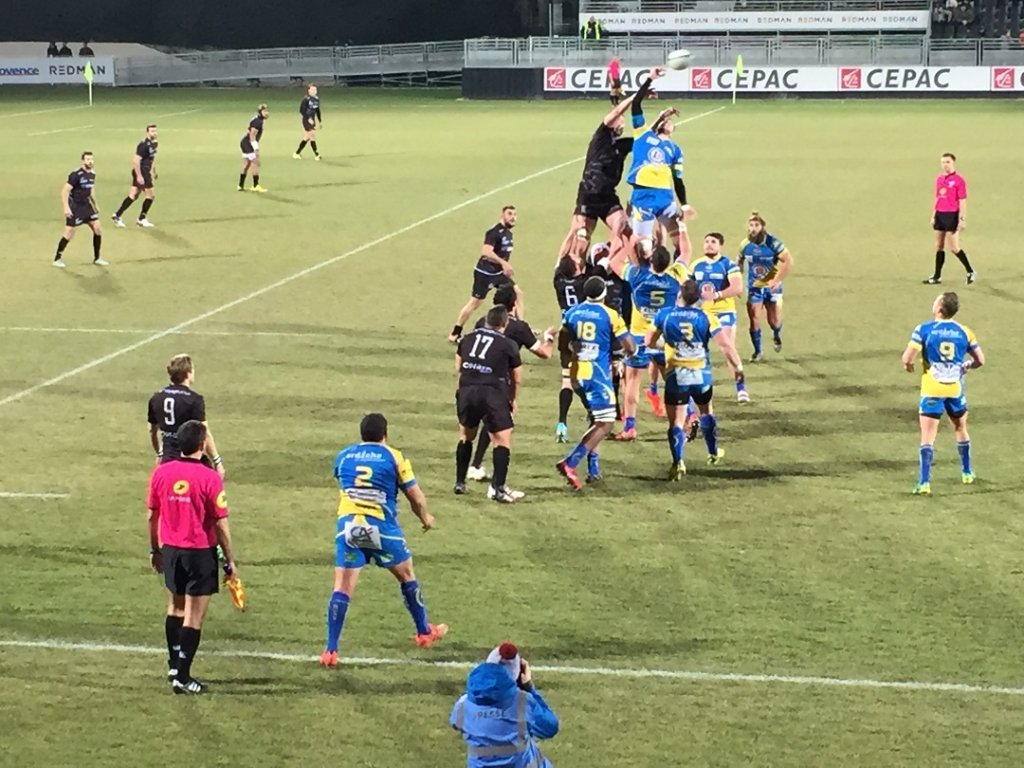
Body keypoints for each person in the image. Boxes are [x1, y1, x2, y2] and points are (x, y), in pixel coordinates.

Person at [321, 413, 446, 667]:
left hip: (348, 527)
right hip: (381, 528)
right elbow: (416, 497)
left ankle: (330, 651)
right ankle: (424, 632)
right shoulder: (394, 456)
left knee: (341, 589)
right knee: (407, 575)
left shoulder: (343, 456)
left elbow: (344, 484)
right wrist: (425, 518)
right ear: (385, 434)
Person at [147, 420, 237, 694]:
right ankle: (183, 677)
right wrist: (229, 561)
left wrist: (155, 550)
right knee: (194, 617)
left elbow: (152, 515)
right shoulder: (211, 478)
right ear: (202, 446)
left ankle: (173, 664)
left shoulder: (162, 473)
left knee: (175, 608)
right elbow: (221, 524)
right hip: (199, 553)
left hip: (172, 550)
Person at [557, 68, 664, 264]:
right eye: (619, 121)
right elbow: (617, 111)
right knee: (579, 234)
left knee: (624, 227)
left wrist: (660, 120)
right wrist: (635, 97)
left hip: (607, 196)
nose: (622, 122)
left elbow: (644, 139)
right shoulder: (601, 135)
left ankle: (626, 267)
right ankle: (563, 267)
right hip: (590, 192)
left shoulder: (621, 145)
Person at [467, 285, 556, 495]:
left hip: (476, 380)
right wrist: (549, 337)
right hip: (501, 384)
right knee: (502, 434)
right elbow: (544, 354)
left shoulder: (483, 321)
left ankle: (475, 466)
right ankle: (497, 486)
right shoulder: (519, 327)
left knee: (487, 425)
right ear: (513, 304)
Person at [648, 279, 742, 479]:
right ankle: (713, 452)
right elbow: (725, 345)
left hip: (676, 376)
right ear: (698, 297)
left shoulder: (664, 315)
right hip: (701, 375)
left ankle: (678, 462)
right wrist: (738, 367)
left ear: (680, 294)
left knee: (676, 422)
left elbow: (649, 341)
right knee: (707, 410)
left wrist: (666, 345)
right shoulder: (706, 317)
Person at [901, 292, 984, 495]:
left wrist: (909, 365)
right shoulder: (965, 331)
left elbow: (907, 357)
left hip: (932, 388)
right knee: (960, 427)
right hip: (955, 388)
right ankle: (967, 472)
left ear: (939, 308)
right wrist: (966, 366)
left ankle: (924, 482)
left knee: (928, 436)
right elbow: (980, 360)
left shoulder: (924, 329)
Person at [557, 276, 635, 489]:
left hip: (576, 373)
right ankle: (570, 462)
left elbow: (562, 344)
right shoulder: (610, 315)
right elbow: (630, 347)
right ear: (603, 294)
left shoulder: (571, 313)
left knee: (596, 418)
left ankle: (593, 468)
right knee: (606, 422)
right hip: (597, 375)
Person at [611, 244, 684, 441]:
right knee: (672, 382)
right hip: (664, 337)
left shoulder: (638, 276)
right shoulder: (675, 278)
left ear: (651, 260)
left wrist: (627, 243)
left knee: (632, 383)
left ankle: (630, 428)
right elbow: (685, 252)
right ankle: (681, 423)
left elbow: (614, 262)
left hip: (639, 338)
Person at [450, 643, 559, 768]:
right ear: (516, 674)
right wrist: (529, 687)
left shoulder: (463, 704)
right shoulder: (523, 702)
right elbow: (550, 728)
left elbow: (455, 723)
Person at [454, 306, 523, 503]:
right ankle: (498, 488)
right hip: (492, 394)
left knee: (466, 436)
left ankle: (460, 482)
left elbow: (458, 365)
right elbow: (517, 377)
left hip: (467, 391)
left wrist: (463, 387)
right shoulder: (508, 344)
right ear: (504, 323)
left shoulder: (467, 338)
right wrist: (513, 399)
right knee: (502, 440)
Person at [626, 96, 692, 264]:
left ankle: (679, 273)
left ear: (673, 129)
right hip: (644, 197)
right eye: (664, 121)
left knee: (679, 236)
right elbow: (636, 106)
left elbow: (678, 179)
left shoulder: (675, 150)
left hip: (665, 198)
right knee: (644, 247)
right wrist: (661, 117)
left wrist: (684, 204)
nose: (667, 122)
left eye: (669, 122)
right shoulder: (645, 138)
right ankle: (642, 277)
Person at [689, 233, 748, 402]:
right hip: (701, 314)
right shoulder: (696, 265)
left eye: (713, 242)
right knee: (695, 350)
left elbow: (737, 288)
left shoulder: (727, 264)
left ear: (720, 245)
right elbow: (686, 288)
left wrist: (717, 295)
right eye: (706, 241)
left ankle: (741, 387)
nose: (709, 244)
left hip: (724, 312)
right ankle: (696, 390)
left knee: (727, 347)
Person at [147, 354, 226, 476]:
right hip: (190, 460)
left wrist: (159, 453)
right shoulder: (194, 399)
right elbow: (205, 433)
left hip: (167, 461)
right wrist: (217, 461)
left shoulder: (156, 397)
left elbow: (152, 431)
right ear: (188, 373)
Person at [449, 206, 518, 343]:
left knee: (516, 292)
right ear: (502, 215)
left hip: (498, 273)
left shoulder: (508, 234)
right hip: (485, 273)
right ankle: (455, 333)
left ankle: (519, 326)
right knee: (474, 303)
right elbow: (486, 252)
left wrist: (504, 266)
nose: (513, 217)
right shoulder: (494, 232)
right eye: (509, 214)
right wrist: (504, 263)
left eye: (515, 214)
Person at [738, 212, 793, 362]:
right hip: (755, 287)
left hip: (772, 288)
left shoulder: (773, 243)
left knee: (773, 321)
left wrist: (776, 280)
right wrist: (738, 278)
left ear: (762, 227)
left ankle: (776, 333)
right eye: (751, 225)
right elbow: (740, 260)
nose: (753, 229)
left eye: (756, 225)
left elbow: (788, 261)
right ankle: (758, 351)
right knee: (754, 318)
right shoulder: (745, 244)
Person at [553, 253, 588, 442]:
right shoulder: (584, 282)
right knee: (585, 379)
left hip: (564, 333)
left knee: (567, 380)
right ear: (575, 269)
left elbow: (560, 260)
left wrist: (573, 233)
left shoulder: (558, 281)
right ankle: (592, 412)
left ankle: (561, 423)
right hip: (582, 334)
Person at [924, 153, 974, 285]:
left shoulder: (959, 180)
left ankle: (970, 271)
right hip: (940, 214)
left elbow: (962, 201)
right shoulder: (939, 179)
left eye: (947, 162)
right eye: (943, 162)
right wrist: (934, 215)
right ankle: (937, 276)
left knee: (954, 247)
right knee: (939, 246)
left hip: (951, 215)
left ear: (953, 163)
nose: (945, 165)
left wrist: (962, 219)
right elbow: (938, 197)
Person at [53, 151, 107, 268]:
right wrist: (66, 208)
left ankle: (97, 258)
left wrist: (95, 204)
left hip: (87, 206)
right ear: (83, 161)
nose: (90, 161)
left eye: (91, 159)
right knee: (69, 233)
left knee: (97, 228)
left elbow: (91, 190)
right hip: (75, 207)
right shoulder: (76, 175)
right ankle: (57, 258)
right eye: (88, 159)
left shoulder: (92, 174)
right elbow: (65, 191)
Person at [111, 124, 159, 228]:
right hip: (141, 171)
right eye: (152, 131)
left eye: (155, 131)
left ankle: (117, 215)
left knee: (133, 196)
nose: (154, 133)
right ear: (147, 132)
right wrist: (139, 176)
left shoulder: (154, 143)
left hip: (146, 171)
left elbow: (152, 158)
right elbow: (136, 160)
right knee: (150, 196)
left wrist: (154, 170)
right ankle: (141, 219)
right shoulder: (143, 145)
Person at [238, 104, 269, 192]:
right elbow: (252, 135)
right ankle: (256, 185)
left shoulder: (257, 119)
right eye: (265, 111)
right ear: (260, 112)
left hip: (244, 142)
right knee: (256, 163)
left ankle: (240, 185)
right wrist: (255, 148)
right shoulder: (258, 122)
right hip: (248, 144)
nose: (267, 113)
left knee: (246, 164)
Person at [294, 83, 322, 160]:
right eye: (312, 89)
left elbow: (317, 110)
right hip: (306, 120)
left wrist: (320, 121)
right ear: (308, 91)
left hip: (312, 120)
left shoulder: (316, 99)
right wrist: (308, 118)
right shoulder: (306, 99)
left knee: (306, 137)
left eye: (315, 89)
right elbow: (301, 110)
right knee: (312, 135)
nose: (314, 91)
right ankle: (317, 154)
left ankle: (297, 153)